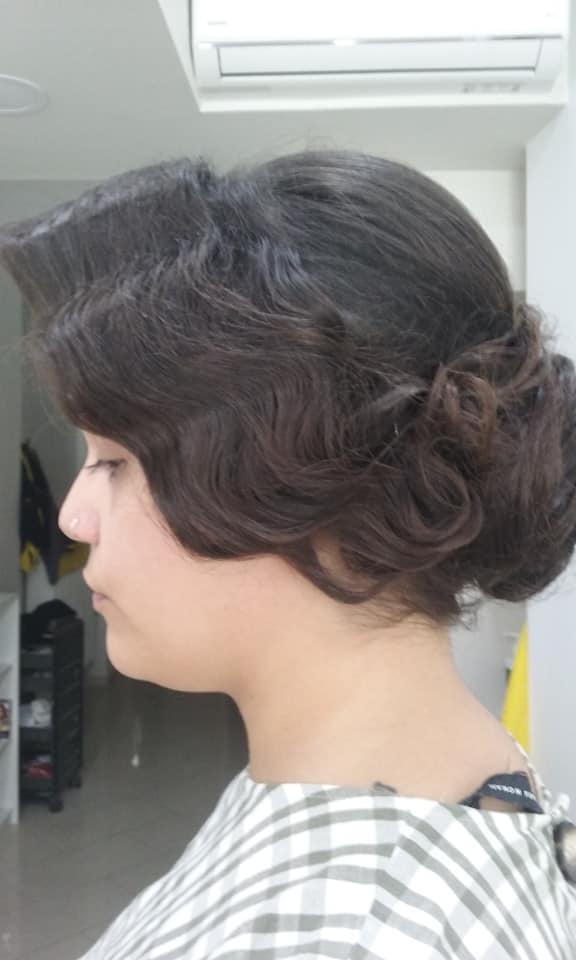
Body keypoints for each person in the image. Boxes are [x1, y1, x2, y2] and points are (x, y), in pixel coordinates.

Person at [1, 151, 575, 958]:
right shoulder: (454, 762)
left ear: (309, 485)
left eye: (117, 462)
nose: (71, 515)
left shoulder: (347, 938)